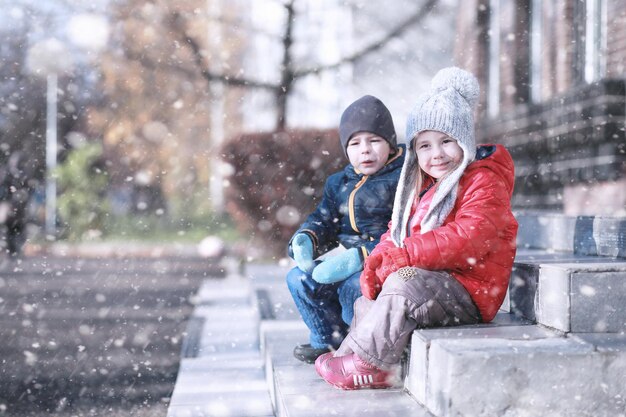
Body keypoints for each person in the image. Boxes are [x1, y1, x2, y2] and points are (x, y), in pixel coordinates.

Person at [315, 67, 519, 389]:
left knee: (403, 284)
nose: (436, 154)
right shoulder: (422, 186)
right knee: (372, 291)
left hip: (470, 289)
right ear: (414, 152)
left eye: (446, 141)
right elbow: (394, 231)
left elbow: (469, 237)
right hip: (439, 279)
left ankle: (374, 365)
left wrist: (405, 256)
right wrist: (379, 258)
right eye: (424, 146)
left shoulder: (483, 180)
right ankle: (350, 353)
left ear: (464, 140)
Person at [286, 95, 406, 364]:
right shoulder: (338, 182)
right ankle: (327, 340)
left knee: (354, 286)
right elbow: (324, 219)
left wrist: (362, 256)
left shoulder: (403, 177)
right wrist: (307, 237)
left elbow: (405, 230)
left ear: (390, 142)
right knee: (299, 279)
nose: (365, 150)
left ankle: (362, 349)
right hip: (344, 259)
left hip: (383, 260)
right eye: (355, 143)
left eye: (374, 140)